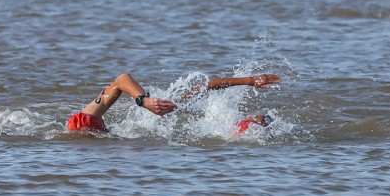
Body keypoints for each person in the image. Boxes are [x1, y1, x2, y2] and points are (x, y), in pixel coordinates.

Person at [66, 72, 281, 132]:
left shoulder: (155, 108)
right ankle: (248, 124)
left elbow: (122, 79)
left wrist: (144, 101)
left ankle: (249, 124)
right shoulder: (84, 123)